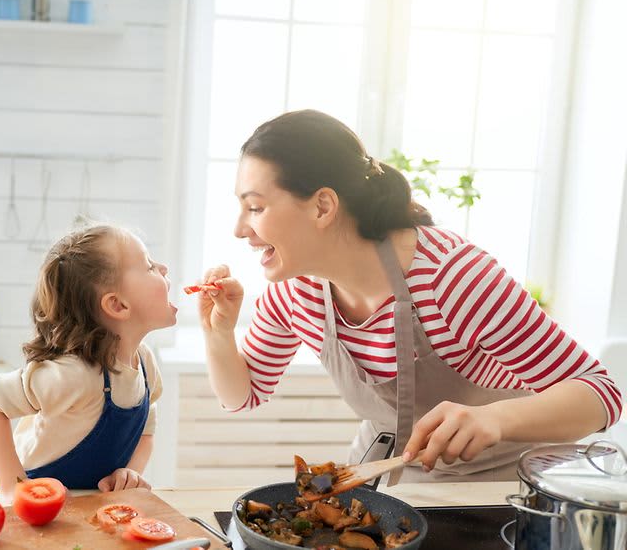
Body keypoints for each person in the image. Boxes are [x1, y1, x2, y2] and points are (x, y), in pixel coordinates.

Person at [197, 109, 623, 484]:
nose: (240, 229)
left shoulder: (452, 278)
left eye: (255, 207)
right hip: (383, 479)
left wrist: (494, 419)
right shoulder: (295, 293)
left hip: (494, 488)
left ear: (323, 206)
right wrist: (219, 334)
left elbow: (602, 394)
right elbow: (242, 395)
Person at [0, 224, 177, 496]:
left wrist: (131, 473)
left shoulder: (145, 364)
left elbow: (145, 429)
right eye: (150, 266)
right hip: (31, 508)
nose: (163, 268)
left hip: (88, 507)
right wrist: (14, 491)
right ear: (118, 305)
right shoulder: (75, 374)